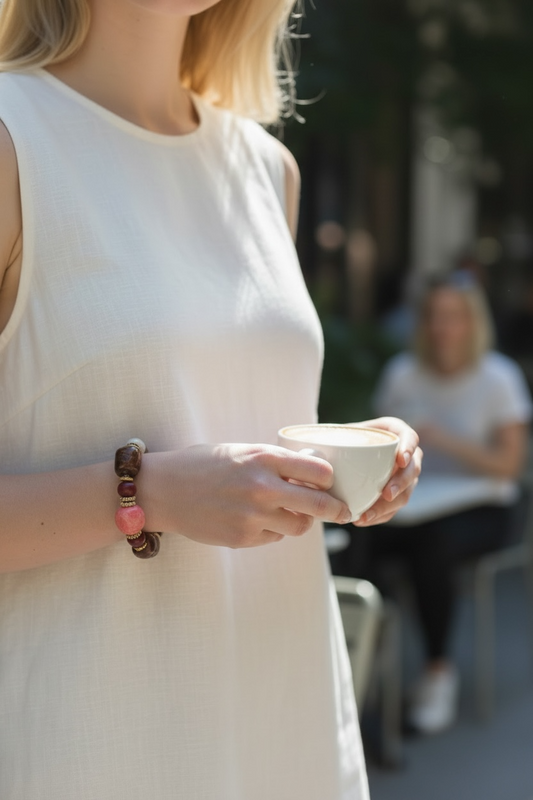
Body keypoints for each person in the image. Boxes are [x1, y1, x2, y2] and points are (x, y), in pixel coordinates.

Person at [0, 1, 422, 797]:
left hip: (283, 719)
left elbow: (223, 420)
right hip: (92, 742)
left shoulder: (267, 170)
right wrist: (146, 493)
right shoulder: (12, 140)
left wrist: (345, 461)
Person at [367, 274, 531, 735]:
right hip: (415, 503)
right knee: (360, 539)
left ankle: (437, 671)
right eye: (434, 316)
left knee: (433, 548)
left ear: (473, 322)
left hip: (484, 507)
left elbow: (508, 466)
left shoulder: (499, 378)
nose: (442, 327)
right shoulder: (402, 374)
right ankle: (370, 660)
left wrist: (440, 438)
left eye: (453, 316)